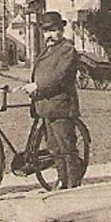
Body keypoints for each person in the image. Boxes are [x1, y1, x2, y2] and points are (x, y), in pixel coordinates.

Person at [22, 11, 84, 190]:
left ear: (62, 30)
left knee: (66, 147)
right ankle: (62, 180)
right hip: (46, 106)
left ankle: (73, 184)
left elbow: (59, 77)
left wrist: (37, 86)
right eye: (46, 31)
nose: (49, 35)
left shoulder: (67, 50)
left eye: (54, 30)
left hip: (61, 106)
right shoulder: (47, 51)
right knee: (54, 148)